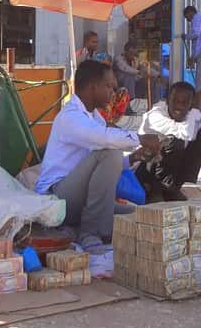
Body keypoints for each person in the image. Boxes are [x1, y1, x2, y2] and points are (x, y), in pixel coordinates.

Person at [35, 60, 160, 253]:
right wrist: (140, 138)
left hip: (77, 199)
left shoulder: (94, 117)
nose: (113, 92)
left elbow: (102, 165)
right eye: (109, 86)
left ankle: (80, 228)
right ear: (93, 87)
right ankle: (89, 232)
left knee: (136, 215)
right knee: (111, 148)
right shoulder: (70, 116)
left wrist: (133, 159)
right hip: (56, 198)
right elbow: (105, 141)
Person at [137, 80, 201, 202]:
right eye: (175, 101)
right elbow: (183, 133)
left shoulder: (192, 116)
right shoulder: (155, 115)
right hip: (147, 171)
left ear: (190, 104)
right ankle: (158, 191)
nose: (179, 106)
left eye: (184, 103)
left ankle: (184, 185)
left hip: (173, 176)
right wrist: (195, 107)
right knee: (175, 141)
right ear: (167, 101)